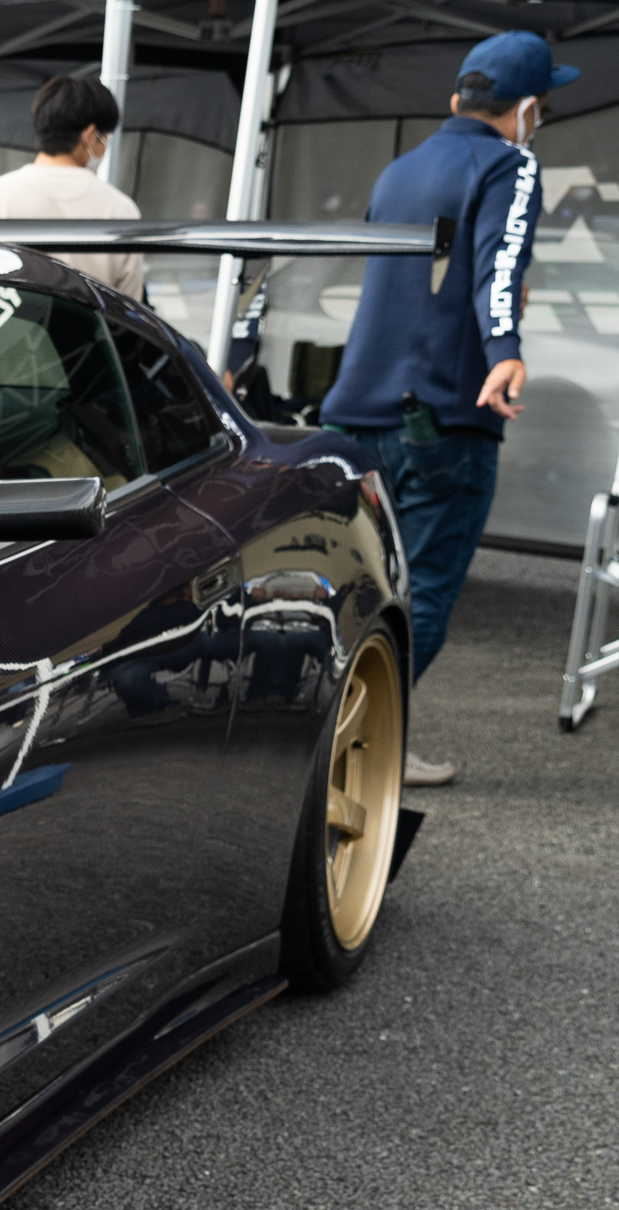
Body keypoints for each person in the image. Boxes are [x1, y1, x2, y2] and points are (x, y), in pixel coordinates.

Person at [321, 31, 575, 788]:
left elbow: (408, 280)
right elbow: (500, 262)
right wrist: (504, 347)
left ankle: (346, 741)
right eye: (544, 109)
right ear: (526, 110)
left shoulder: (400, 168)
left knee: (358, 587)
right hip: (442, 417)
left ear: (455, 97)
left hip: (357, 411)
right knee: (419, 594)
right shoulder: (511, 163)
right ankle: (355, 745)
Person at [0, 74, 142, 298]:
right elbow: (131, 305)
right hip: (87, 332)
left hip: (6, 330)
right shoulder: (121, 209)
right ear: (90, 135)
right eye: (104, 136)